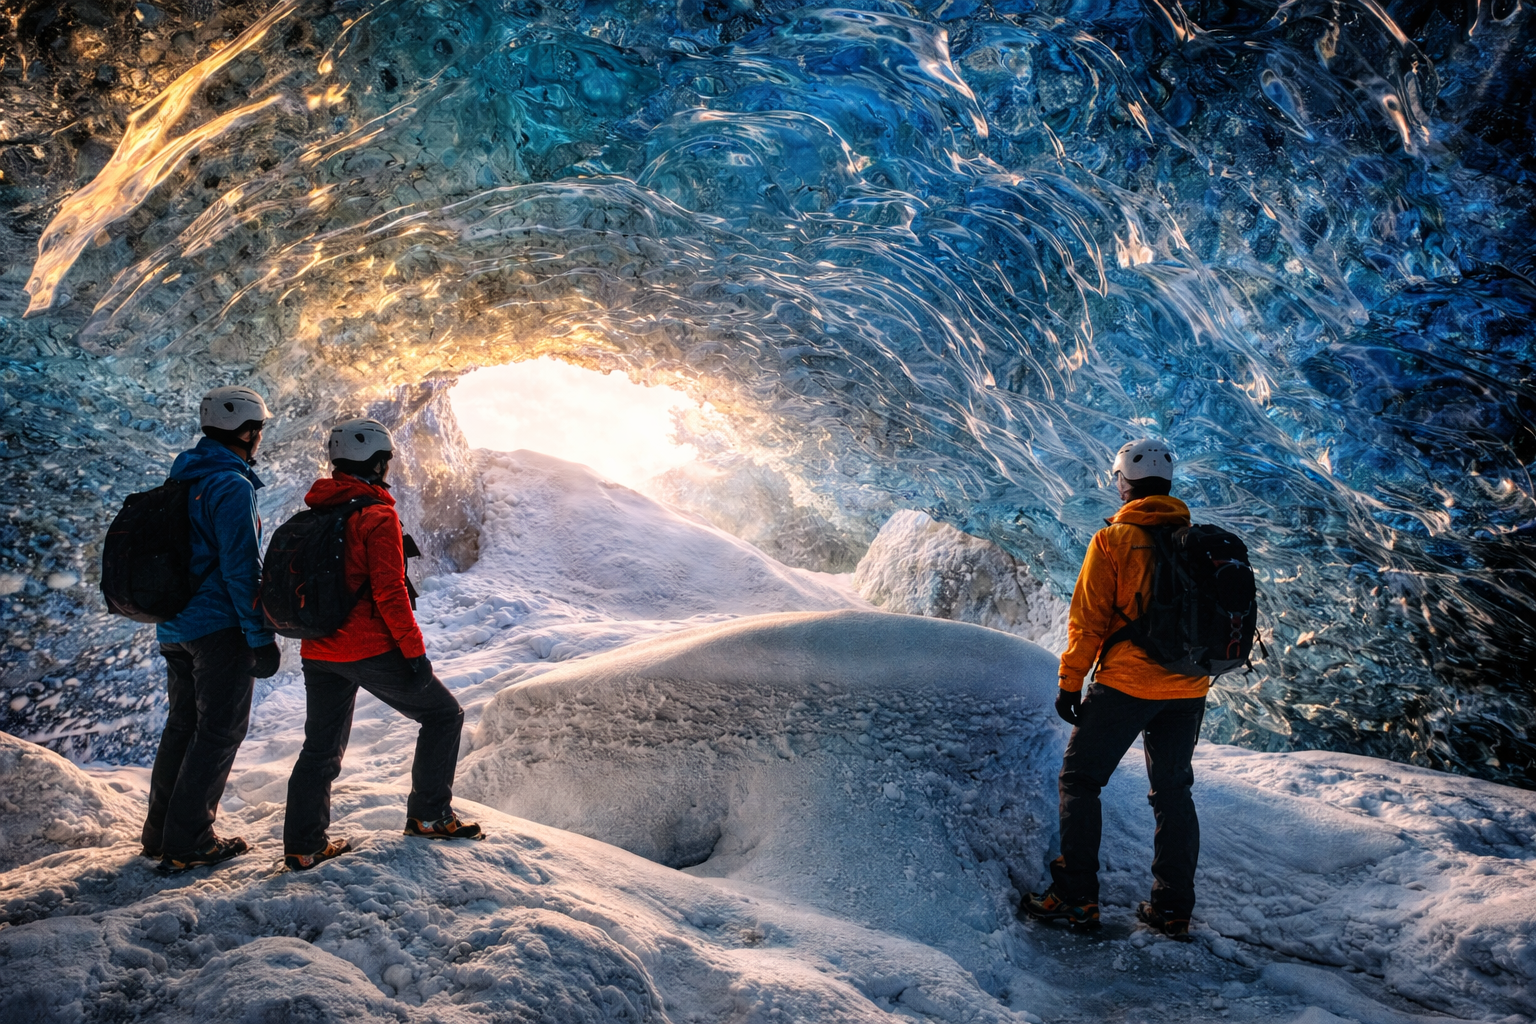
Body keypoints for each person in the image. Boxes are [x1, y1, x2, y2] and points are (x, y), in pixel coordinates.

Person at [1023, 439, 1207, 938]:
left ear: (1124, 482)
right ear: (1167, 485)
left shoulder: (1113, 540)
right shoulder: (1195, 539)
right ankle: (1173, 909)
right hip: (1189, 688)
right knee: (1173, 792)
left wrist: (1070, 683)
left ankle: (1076, 897)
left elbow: (1088, 621)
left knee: (1080, 781)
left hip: (1127, 684)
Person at [281, 418, 482, 872]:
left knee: (320, 748)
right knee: (443, 715)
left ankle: (304, 846)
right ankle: (430, 816)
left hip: (318, 649)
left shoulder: (317, 511)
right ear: (376, 463)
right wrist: (415, 653)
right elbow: (390, 593)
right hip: (367, 647)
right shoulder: (376, 515)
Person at [144, 386, 281, 873]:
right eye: (258, 429)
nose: (259, 438)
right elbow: (242, 569)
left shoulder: (183, 477)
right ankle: (190, 841)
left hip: (174, 627)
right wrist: (260, 637)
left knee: (183, 726)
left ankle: (159, 834)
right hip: (218, 627)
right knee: (220, 731)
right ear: (247, 432)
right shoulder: (231, 485)